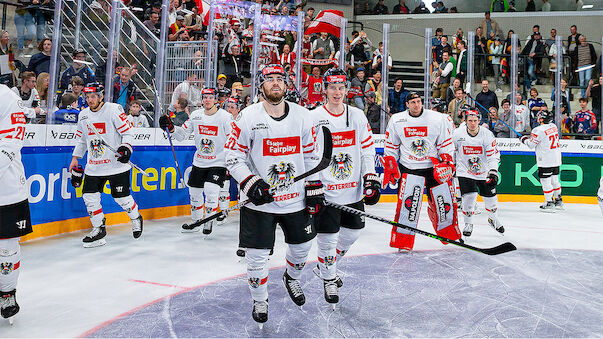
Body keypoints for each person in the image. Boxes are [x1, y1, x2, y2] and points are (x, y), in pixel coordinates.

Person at [223, 64, 323, 325]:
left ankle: (291, 277)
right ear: (261, 85)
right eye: (270, 79)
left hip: (295, 201)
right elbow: (233, 157)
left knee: (302, 249)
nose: (276, 83)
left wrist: (313, 188)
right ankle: (259, 299)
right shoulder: (246, 117)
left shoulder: (303, 116)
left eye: (280, 78)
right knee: (256, 258)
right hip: (259, 204)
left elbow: (313, 156)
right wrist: (251, 183)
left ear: (287, 85)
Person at [310, 68, 379, 307]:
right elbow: (311, 155)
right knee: (327, 239)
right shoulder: (315, 117)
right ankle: (329, 277)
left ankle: (327, 263)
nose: (337, 92)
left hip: (353, 190)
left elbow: (367, 149)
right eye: (332, 87)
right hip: (327, 192)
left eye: (341, 88)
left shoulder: (358, 116)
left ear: (346, 90)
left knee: (353, 233)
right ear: (325, 89)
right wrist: (314, 185)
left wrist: (370, 177)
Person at [382, 92, 461, 251]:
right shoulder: (397, 120)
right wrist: (391, 164)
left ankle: (450, 235)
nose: (417, 105)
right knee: (408, 207)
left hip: (433, 168)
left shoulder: (437, 118)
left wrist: (446, 161)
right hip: (410, 168)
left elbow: (445, 143)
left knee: (443, 202)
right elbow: (391, 146)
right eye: (413, 102)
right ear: (407, 105)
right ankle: (403, 241)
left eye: (419, 101)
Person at [68, 83, 143, 247]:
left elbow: (128, 132)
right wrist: (75, 158)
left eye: (93, 96)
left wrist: (126, 148)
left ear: (101, 96)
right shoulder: (83, 115)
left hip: (116, 165)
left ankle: (136, 217)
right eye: (87, 97)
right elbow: (81, 140)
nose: (90, 100)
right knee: (89, 197)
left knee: (121, 198)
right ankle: (98, 228)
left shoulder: (113, 110)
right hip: (94, 166)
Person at [161, 88, 232, 234]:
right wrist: (171, 127)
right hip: (199, 161)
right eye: (205, 97)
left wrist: (230, 161)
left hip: (218, 161)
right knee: (194, 192)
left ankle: (209, 221)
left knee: (212, 190)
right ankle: (197, 221)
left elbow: (232, 140)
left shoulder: (225, 117)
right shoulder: (195, 115)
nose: (207, 100)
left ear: (216, 99)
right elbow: (182, 136)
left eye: (210, 97)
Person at [0, 84, 33, 323]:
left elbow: (12, 141)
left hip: (7, 191)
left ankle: (7, 293)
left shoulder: (6, 96)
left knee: (7, 250)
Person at [453, 109, 504, 237]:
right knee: (468, 198)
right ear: (465, 120)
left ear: (479, 121)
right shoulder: (457, 134)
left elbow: (493, 155)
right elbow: (451, 151)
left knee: (491, 200)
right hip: (465, 171)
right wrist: (450, 165)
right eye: (470, 120)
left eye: (475, 121)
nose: (472, 123)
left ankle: (493, 218)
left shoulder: (487, 134)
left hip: (484, 172)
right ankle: (468, 223)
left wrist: (493, 171)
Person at [520, 110, 563, 212]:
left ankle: (549, 203)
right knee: (555, 180)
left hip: (545, 159)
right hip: (556, 158)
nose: (538, 119)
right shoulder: (553, 126)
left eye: (539, 117)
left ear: (542, 119)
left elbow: (531, 145)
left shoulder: (537, 130)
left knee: (546, 181)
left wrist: (523, 139)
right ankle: (558, 201)